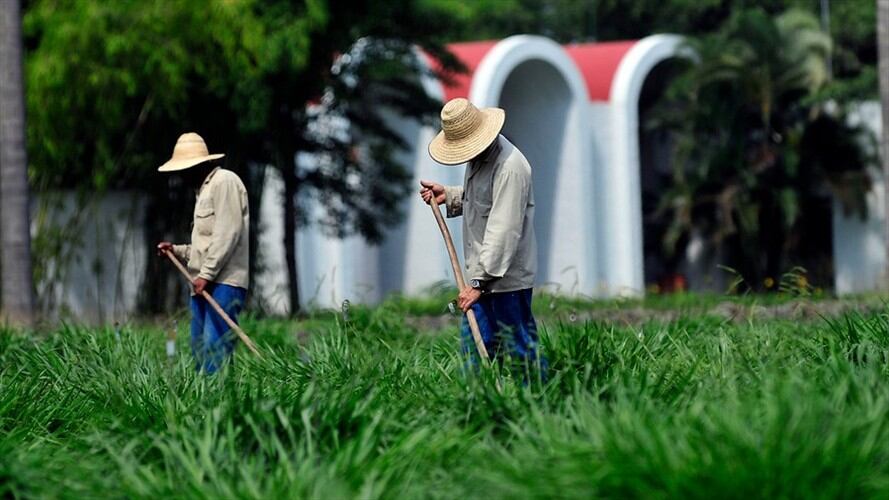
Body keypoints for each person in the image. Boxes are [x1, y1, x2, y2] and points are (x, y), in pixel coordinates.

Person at [420, 98, 546, 377]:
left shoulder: (511, 167)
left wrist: (478, 283)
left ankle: (539, 407)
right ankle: (478, 409)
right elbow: (483, 198)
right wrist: (450, 195)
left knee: (520, 352)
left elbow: (504, 229)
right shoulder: (480, 159)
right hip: (482, 278)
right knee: (475, 352)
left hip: (505, 281)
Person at [156, 133, 250, 374]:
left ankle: (217, 407)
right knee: (199, 350)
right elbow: (205, 247)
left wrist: (206, 275)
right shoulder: (203, 192)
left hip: (223, 283)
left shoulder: (224, 182)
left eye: (184, 169)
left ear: (199, 165)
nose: (181, 176)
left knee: (213, 349)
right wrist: (175, 250)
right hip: (202, 284)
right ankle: (203, 407)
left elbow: (227, 234)